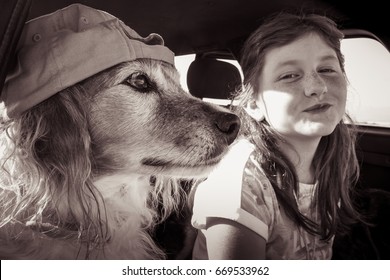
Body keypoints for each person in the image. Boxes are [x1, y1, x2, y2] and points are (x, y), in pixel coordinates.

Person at [190, 11, 363, 259]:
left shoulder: (333, 154)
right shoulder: (239, 183)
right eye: (290, 76)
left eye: (326, 69)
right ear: (253, 104)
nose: (318, 87)